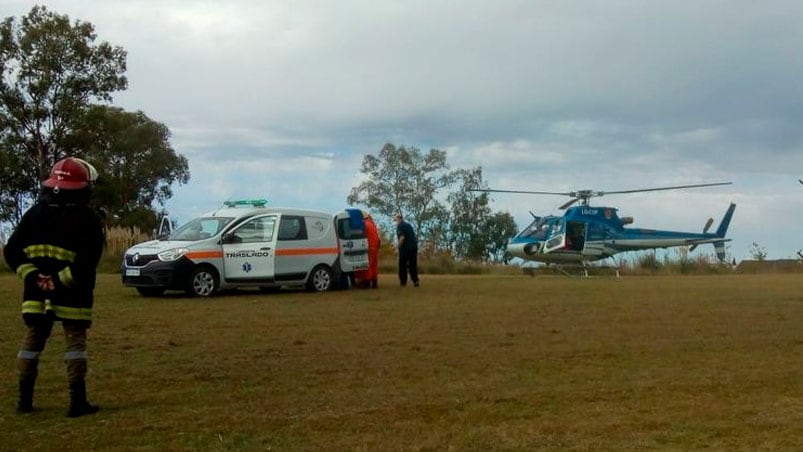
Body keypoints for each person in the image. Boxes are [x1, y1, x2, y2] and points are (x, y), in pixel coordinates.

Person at [4, 156, 105, 417]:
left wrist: (34, 277)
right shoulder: (88, 219)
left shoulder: (34, 214)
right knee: (75, 345)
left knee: (32, 341)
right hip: (74, 293)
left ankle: (24, 401)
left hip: (36, 293)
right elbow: (87, 262)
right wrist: (58, 281)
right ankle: (77, 402)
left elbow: (12, 251)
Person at [394, 213, 419, 287]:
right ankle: (415, 281)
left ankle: (403, 282)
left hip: (405, 249)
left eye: (396, 219)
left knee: (402, 265)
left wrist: (398, 245)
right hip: (413, 247)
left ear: (399, 218)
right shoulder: (408, 225)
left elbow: (402, 237)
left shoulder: (400, 226)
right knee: (413, 265)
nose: (396, 221)